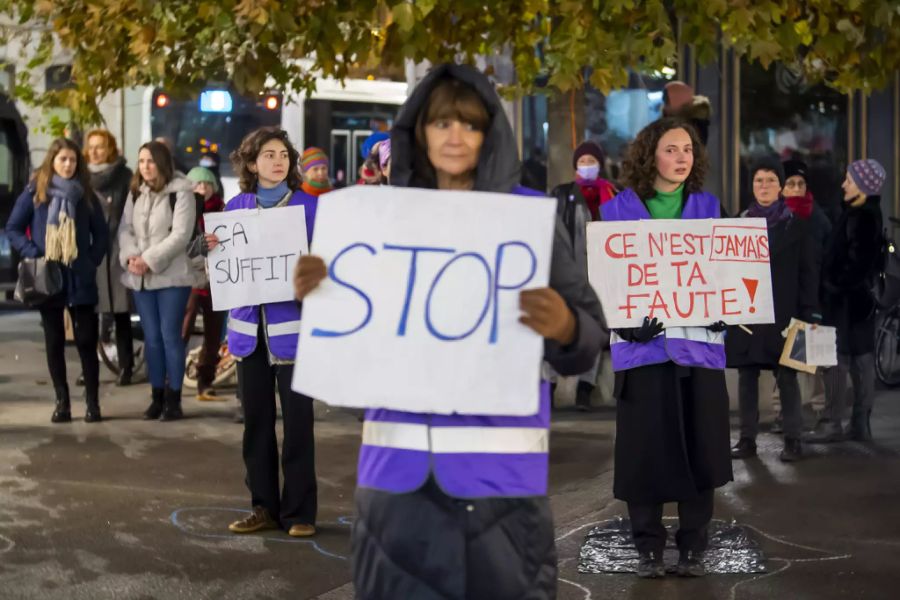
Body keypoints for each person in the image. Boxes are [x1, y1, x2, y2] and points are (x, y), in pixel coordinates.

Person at [294, 63, 606, 600]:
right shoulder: (375, 220)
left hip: (502, 485)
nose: (455, 136)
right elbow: (352, 364)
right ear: (420, 133)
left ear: (491, 134)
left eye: (469, 124)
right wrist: (323, 298)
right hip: (396, 482)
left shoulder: (527, 218)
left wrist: (566, 326)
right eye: (441, 124)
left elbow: (589, 338)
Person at [603, 118, 732, 578]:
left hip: (697, 350)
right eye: (671, 149)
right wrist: (622, 324)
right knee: (645, 453)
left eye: (688, 150)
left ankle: (694, 546)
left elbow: (725, 276)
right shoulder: (618, 211)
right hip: (644, 354)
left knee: (703, 447)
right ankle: (648, 549)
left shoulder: (709, 207)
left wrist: (726, 309)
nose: (682, 158)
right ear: (648, 156)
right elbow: (606, 283)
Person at [206, 127, 318, 538]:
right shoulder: (235, 208)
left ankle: (301, 513)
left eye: (283, 155)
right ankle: (263, 507)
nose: (278, 161)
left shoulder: (309, 207)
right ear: (252, 164)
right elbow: (216, 267)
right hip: (247, 338)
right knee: (256, 424)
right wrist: (208, 249)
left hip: (295, 337)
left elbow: (328, 265)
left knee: (299, 425)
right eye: (268, 155)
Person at [6, 138, 108, 422]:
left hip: (80, 275)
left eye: (73, 160)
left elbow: (102, 233)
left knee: (87, 340)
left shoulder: (85, 194)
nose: (68, 165)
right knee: (54, 340)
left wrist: (91, 259)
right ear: (52, 160)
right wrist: (32, 252)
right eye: (62, 159)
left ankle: (92, 402)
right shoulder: (35, 190)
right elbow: (13, 227)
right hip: (47, 276)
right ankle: (62, 402)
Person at [727, 158, 820, 463]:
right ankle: (747, 439)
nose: (764, 186)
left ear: (780, 186)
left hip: (785, 312)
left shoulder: (796, 225)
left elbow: (808, 272)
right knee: (747, 375)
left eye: (770, 180)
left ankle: (794, 439)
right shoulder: (740, 223)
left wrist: (809, 313)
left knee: (789, 375)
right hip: (748, 313)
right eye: (758, 180)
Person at [807, 159, 886, 443]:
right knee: (859, 360)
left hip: (845, 302)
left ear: (863, 186)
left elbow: (857, 263)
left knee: (836, 360)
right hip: (859, 302)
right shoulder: (864, 213)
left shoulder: (860, 217)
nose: (843, 184)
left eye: (850, 181)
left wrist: (832, 284)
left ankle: (833, 422)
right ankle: (859, 423)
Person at [118, 140, 197, 421]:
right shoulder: (135, 192)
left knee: (169, 337)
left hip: (171, 276)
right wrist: (130, 258)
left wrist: (148, 259)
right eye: (141, 161)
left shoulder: (182, 192)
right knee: (151, 339)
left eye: (150, 161)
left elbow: (180, 235)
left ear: (162, 163)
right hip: (140, 278)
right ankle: (156, 397)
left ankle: (174, 399)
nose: (145, 167)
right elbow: (125, 229)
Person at [549, 140, 617, 409]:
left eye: (592, 161)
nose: (587, 166)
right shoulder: (562, 194)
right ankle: (550, 386)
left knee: (595, 327)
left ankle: (585, 390)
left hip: (599, 273)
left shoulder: (611, 194)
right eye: (582, 161)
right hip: (568, 272)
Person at [84, 129, 136, 386]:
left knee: (120, 310)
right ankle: (89, 367)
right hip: (90, 250)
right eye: (91, 146)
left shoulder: (124, 177)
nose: (94, 151)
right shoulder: (80, 177)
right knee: (89, 312)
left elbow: (131, 213)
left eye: (100, 146)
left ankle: (127, 365)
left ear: (110, 149)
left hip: (117, 248)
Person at [182, 166, 225, 401]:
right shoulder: (184, 211)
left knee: (213, 333)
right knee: (182, 326)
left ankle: (205, 379)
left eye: (206, 184)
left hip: (215, 280)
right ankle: (172, 376)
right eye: (197, 184)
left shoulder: (223, 210)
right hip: (190, 278)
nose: (202, 188)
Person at [661, 81, 712, 146]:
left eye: (667, 102)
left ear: (677, 101)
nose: (664, 107)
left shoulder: (693, 127)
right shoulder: (673, 123)